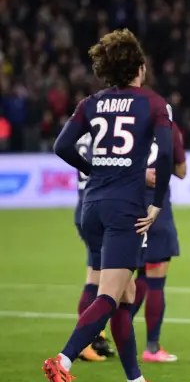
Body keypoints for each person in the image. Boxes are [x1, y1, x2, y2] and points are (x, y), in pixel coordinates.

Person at [44, 28, 172, 382]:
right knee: (110, 295)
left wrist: (95, 169)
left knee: (125, 296)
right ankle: (62, 361)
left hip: (91, 208)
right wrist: (158, 202)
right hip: (123, 209)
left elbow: (61, 145)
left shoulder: (91, 103)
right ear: (140, 68)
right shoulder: (153, 104)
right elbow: (164, 156)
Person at [130, 123, 187, 363]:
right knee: (155, 278)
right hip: (156, 208)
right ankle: (152, 348)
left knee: (138, 275)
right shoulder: (169, 129)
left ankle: (98, 332)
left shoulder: (129, 124)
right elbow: (182, 171)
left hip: (127, 205)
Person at [73, 132, 114, 361]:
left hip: (84, 205)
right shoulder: (105, 134)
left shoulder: (82, 136)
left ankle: (96, 336)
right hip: (98, 207)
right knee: (97, 279)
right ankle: (85, 342)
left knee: (97, 277)